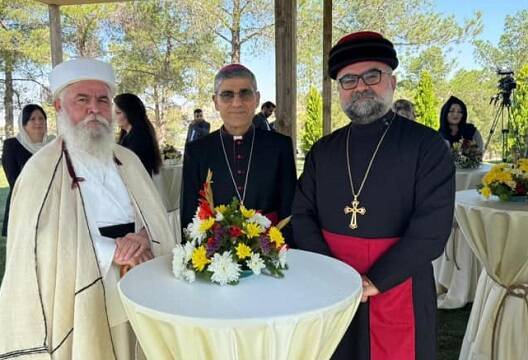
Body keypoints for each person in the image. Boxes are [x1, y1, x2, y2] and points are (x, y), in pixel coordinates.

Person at [0, 58, 176, 359]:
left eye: (103, 100)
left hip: (142, 274)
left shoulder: (128, 159)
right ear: (60, 107)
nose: (94, 108)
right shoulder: (40, 170)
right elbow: (35, 245)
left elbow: (155, 216)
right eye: (82, 99)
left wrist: (144, 236)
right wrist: (111, 250)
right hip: (82, 289)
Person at [292, 31, 455, 359]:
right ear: (339, 89)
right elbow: (302, 214)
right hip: (332, 285)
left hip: (398, 283)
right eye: (348, 79)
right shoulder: (324, 150)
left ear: (392, 82)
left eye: (372, 75)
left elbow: (432, 231)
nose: (360, 86)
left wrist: (375, 280)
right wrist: (332, 275)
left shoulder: (427, 146)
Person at [181, 64, 296, 243]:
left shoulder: (280, 146)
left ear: (257, 99)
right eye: (227, 95)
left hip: (271, 249)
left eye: (245, 93)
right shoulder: (196, 151)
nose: (237, 103)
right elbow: (189, 213)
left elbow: (288, 209)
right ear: (215, 102)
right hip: (215, 250)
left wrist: (283, 253)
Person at [0, 104, 52, 236]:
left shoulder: (53, 144)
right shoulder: (12, 145)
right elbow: (14, 180)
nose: (38, 122)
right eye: (32, 119)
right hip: (23, 205)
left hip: (52, 205)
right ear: (23, 124)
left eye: (41, 118)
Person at [115, 93, 163, 176]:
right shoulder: (129, 134)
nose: (114, 116)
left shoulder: (139, 137)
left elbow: (126, 164)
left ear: (130, 113)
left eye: (118, 113)